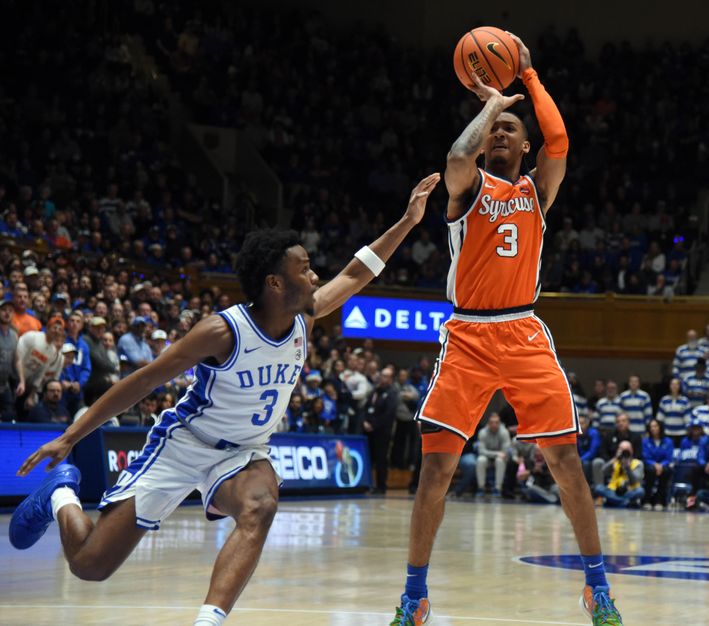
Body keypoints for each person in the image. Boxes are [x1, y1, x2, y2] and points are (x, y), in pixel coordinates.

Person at [10, 173, 440, 626]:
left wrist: (408, 221)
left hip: (243, 454)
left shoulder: (304, 319)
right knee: (89, 565)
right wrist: (70, 436)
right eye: (305, 268)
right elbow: (143, 381)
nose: (315, 276)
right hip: (183, 445)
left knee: (261, 504)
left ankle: (209, 622)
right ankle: (61, 492)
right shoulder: (222, 331)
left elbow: (357, 272)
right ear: (274, 283)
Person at [390, 34, 623, 626]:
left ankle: (597, 590)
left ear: (525, 147)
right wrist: (493, 103)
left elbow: (562, 141)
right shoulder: (469, 190)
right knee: (435, 470)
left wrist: (529, 79)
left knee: (566, 462)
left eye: (511, 131)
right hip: (467, 335)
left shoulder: (536, 192)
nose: (501, 134)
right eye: (496, 129)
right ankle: (414, 598)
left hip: (522, 332)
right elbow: (454, 159)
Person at [363, 367, 399, 494]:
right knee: (370, 458)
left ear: (390, 379)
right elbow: (367, 406)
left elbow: (388, 414)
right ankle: (368, 484)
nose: (382, 378)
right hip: (369, 430)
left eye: (385, 376)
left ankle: (381, 486)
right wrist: (365, 421)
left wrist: (374, 425)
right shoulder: (375, 391)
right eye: (381, 375)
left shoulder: (392, 393)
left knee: (381, 459)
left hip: (382, 432)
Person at [592, 441, 645, 508]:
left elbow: (635, 481)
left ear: (631, 451)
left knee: (640, 491)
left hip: (629, 491)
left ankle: (615, 501)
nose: (623, 452)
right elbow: (603, 472)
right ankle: (625, 502)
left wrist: (627, 468)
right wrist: (614, 459)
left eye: (626, 449)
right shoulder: (615, 461)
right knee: (598, 488)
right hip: (613, 490)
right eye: (621, 449)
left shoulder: (638, 463)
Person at [475, 412, 512, 497]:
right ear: (488, 423)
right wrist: (496, 454)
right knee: (480, 460)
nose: (494, 425)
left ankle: (497, 489)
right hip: (487, 458)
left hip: (500, 459)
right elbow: (481, 451)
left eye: (496, 422)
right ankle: (481, 487)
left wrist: (498, 455)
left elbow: (505, 452)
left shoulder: (504, 432)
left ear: (500, 423)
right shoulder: (482, 432)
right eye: (492, 422)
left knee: (500, 460)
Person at [642, 419, 673, 510]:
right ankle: (647, 500)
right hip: (650, 465)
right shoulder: (645, 441)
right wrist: (655, 465)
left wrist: (661, 465)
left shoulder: (668, 441)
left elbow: (668, 457)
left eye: (655, 426)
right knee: (650, 471)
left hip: (663, 465)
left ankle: (659, 501)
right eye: (651, 427)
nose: (653, 429)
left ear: (660, 427)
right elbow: (645, 456)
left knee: (667, 471)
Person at [0, 299, 22, 421]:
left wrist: (22, 381)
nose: (7, 313)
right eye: (3, 310)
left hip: (5, 385)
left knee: (10, 416)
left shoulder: (14, 335)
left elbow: (17, 359)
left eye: (10, 311)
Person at [657, 378, 691, 444]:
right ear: (669, 386)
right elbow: (660, 419)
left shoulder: (685, 401)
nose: (674, 386)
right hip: (667, 433)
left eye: (676, 384)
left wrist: (687, 433)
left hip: (681, 434)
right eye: (672, 384)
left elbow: (688, 420)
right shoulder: (664, 400)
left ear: (679, 386)